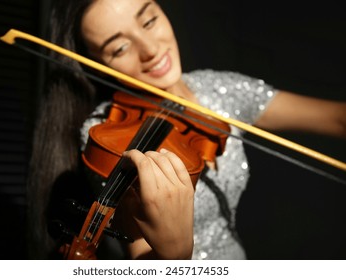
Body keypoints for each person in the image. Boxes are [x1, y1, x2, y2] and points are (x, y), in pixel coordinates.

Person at [26, 0, 346, 260]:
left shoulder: (221, 89)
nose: (150, 49)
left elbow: (337, 118)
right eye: (120, 48)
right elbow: (142, 257)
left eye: (149, 20)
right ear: (96, 63)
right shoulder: (105, 136)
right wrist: (175, 254)